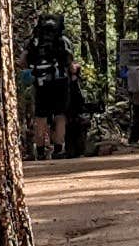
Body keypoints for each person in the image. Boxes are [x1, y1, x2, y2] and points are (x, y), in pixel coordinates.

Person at [21, 14, 91, 160]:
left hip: (40, 83)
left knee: (40, 117)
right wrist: (76, 69)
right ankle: (58, 149)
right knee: (60, 115)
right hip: (60, 83)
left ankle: (40, 150)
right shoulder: (63, 41)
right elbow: (70, 65)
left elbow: (22, 61)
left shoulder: (34, 42)